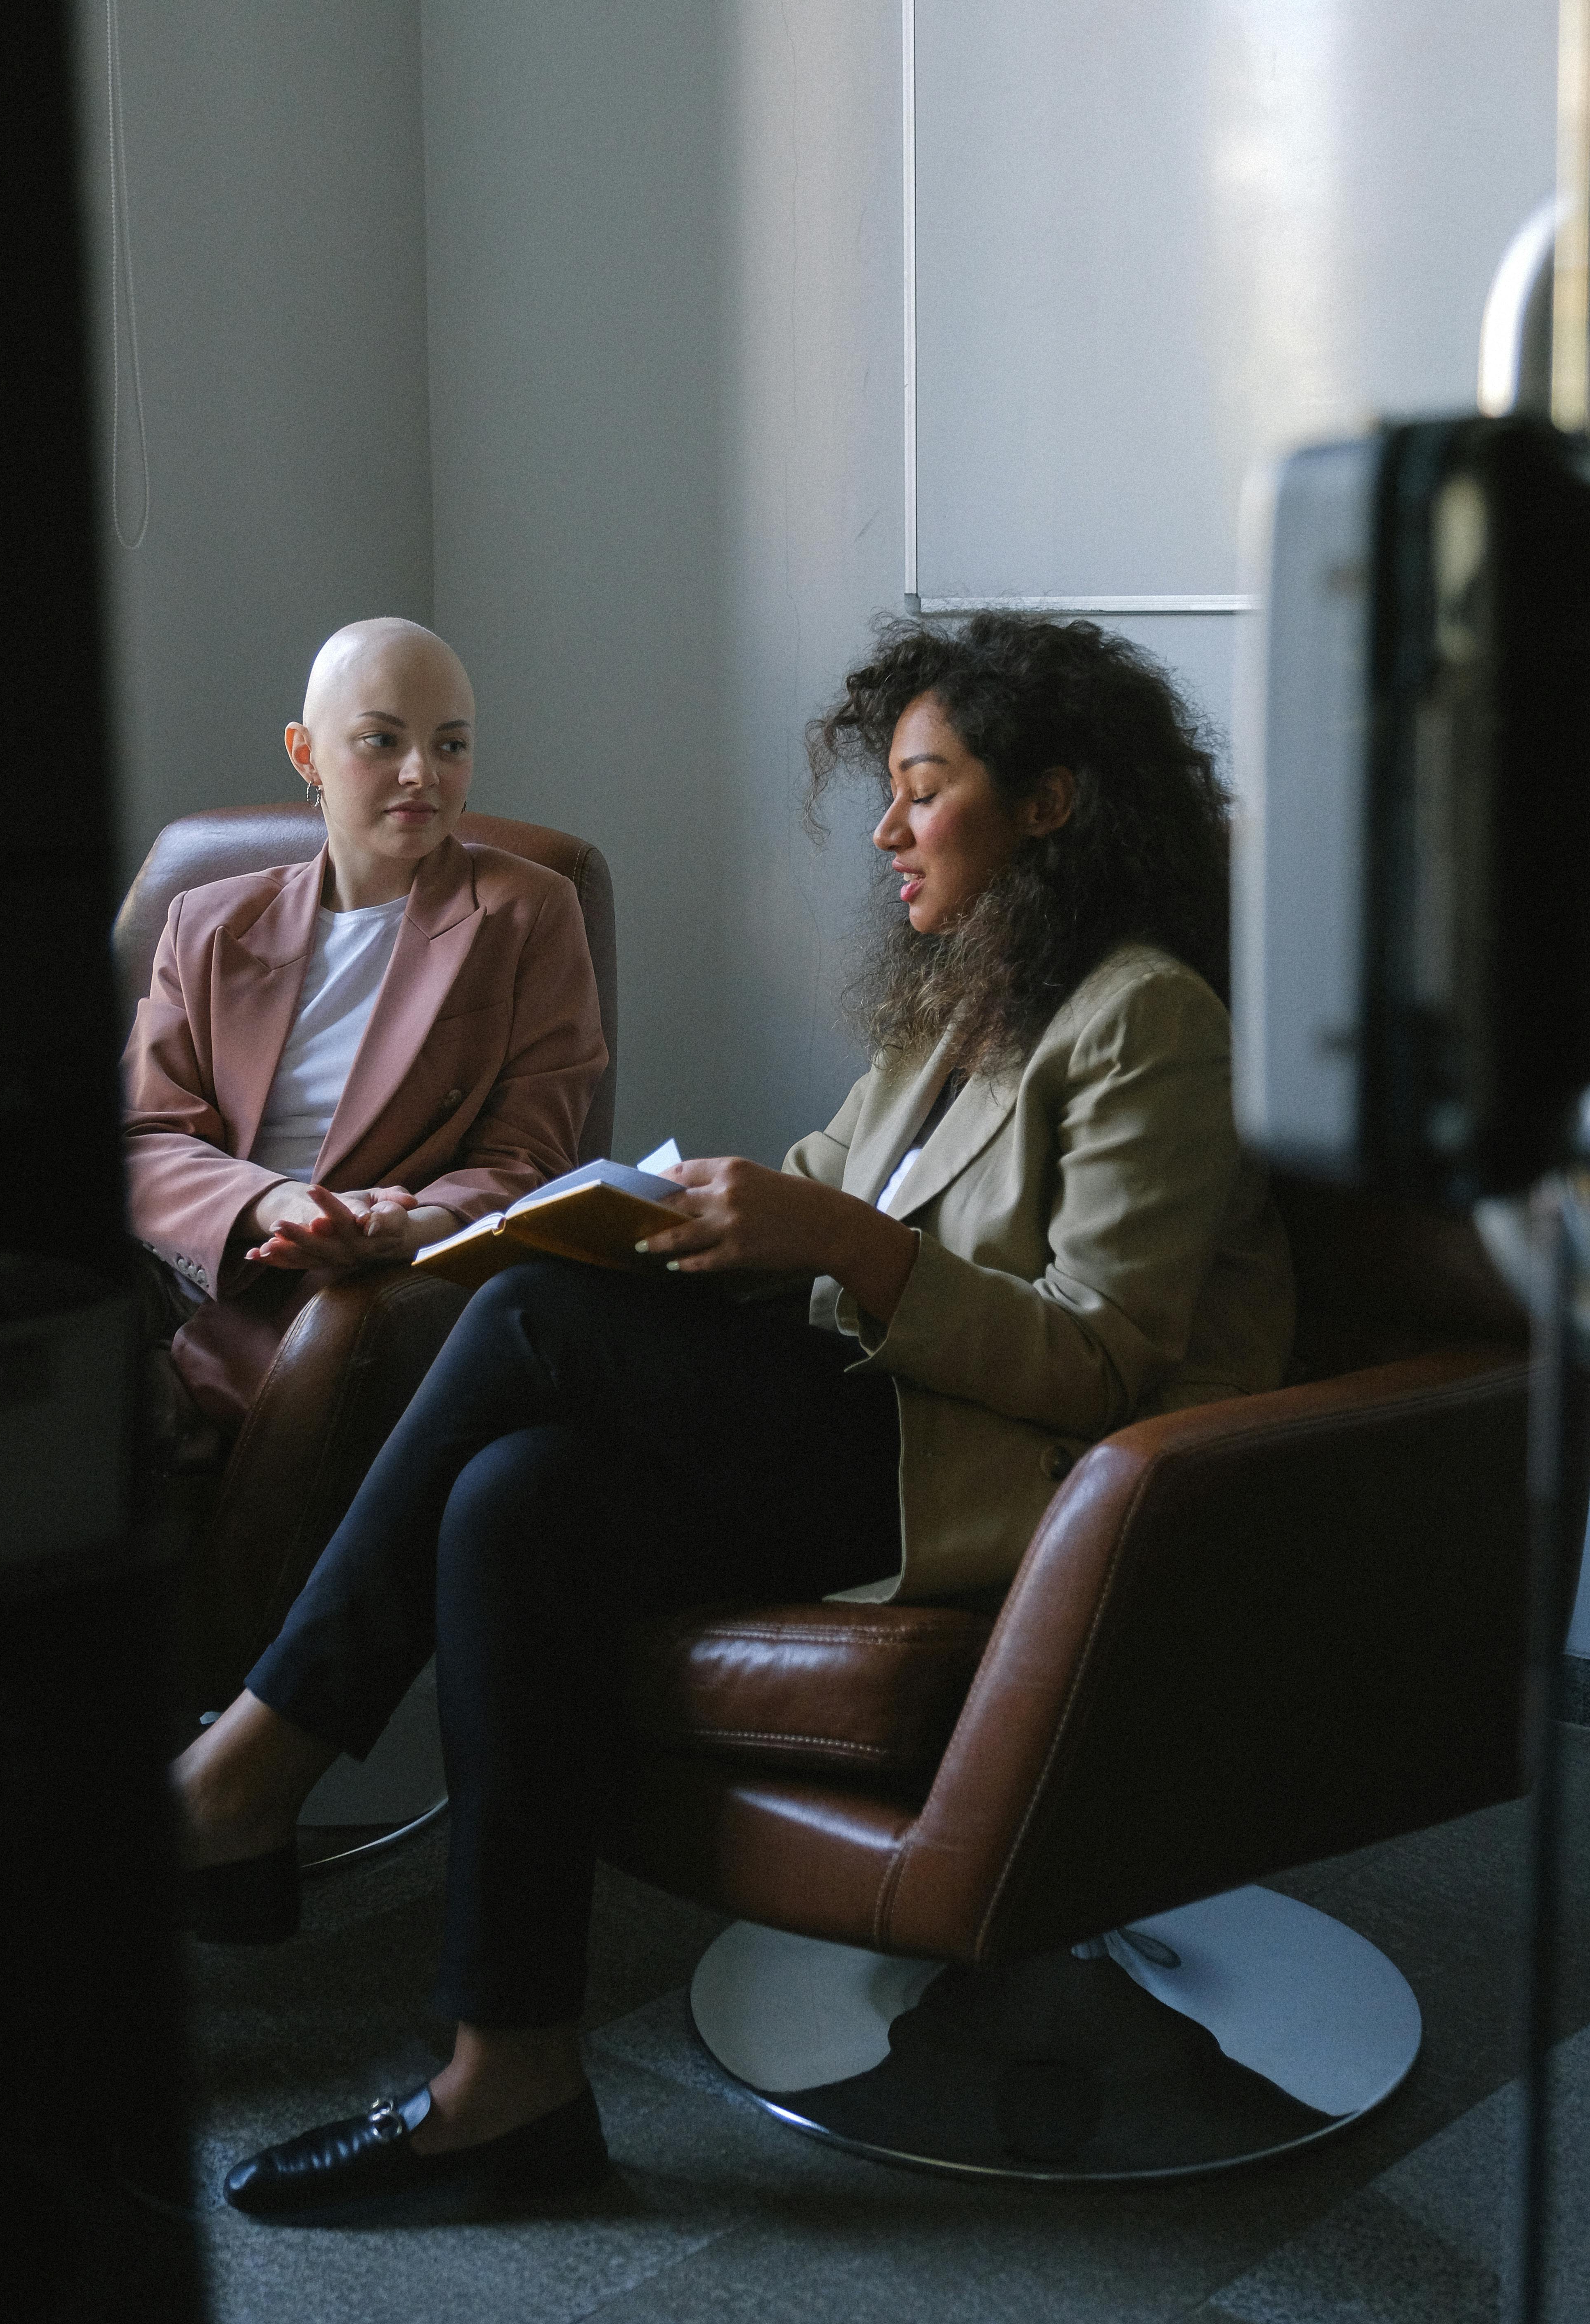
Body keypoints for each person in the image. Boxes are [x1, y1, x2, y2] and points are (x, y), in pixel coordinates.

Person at [173, 612, 1294, 2221]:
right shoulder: (953, 1007)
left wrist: (836, 1245)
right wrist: (682, 1220)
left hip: (1014, 1486)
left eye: (924, 789)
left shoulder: (1142, 1021)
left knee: (529, 1321)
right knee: (515, 1498)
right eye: (888, 795)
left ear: (1049, 802)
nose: (889, 831)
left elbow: (1100, 1360)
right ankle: (513, 2082)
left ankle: (250, 1767)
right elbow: (825, 1191)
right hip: (873, 1426)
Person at [122, 616, 606, 1450]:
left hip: (371, 1294)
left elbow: (527, 1160)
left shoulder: (525, 912)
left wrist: (408, 1224)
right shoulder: (206, 924)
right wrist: (272, 1202)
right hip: (198, 1269)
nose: (422, 773)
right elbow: (146, 1137)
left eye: (450, 747)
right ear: (306, 754)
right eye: (381, 741)